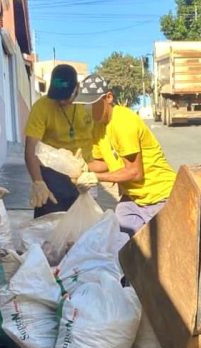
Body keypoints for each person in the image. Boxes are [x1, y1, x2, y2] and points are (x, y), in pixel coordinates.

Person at [73, 74, 176, 245]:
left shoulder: (122, 121)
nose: (89, 109)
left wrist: (96, 178)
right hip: (135, 200)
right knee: (124, 242)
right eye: (86, 104)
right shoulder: (98, 127)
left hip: (160, 197)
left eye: (93, 103)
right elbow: (106, 163)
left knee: (161, 250)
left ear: (108, 97)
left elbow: (135, 173)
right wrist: (81, 167)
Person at [23, 64, 94, 217]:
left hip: (85, 175)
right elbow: (30, 149)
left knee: (83, 229)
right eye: (57, 96)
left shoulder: (89, 105)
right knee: (51, 228)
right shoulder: (42, 107)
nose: (61, 101)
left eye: (65, 96)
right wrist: (38, 182)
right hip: (53, 176)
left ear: (77, 87)